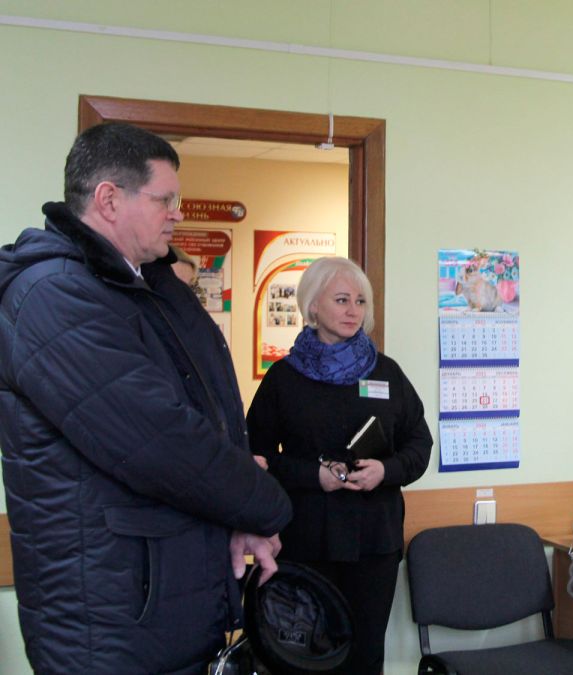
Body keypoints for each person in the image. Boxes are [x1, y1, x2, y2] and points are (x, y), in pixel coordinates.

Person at [0, 122, 293, 674]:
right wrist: (265, 504)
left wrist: (240, 512)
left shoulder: (145, 288)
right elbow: (163, 441)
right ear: (109, 199)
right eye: (165, 199)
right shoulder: (53, 296)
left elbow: (209, 411)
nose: (178, 214)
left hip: (160, 605)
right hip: (111, 622)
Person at [246, 256, 432, 675]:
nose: (354, 311)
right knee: (306, 657)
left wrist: (386, 471)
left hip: (374, 543)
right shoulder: (284, 378)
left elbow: (419, 444)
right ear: (313, 305)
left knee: (365, 658)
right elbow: (254, 457)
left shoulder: (386, 372)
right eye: (342, 300)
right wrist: (312, 476)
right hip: (306, 539)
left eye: (361, 301)